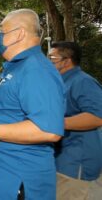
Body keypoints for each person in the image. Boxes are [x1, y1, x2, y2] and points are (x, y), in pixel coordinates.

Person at [0, 9, 65, 199]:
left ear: (19, 34)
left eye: (2, 31)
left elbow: (49, 130)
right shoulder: (15, 67)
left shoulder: (36, 70)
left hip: (16, 182)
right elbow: (12, 109)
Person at [48, 41, 102, 200]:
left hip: (75, 161)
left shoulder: (83, 81)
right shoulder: (60, 83)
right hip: (60, 158)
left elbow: (97, 116)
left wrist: (56, 124)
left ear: (66, 61)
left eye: (52, 58)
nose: (48, 61)